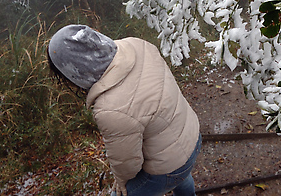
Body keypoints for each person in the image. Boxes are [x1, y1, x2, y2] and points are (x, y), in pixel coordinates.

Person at [47, 24, 201, 196]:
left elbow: (127, 165)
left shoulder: (110, 108)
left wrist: (121, 181)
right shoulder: (136, 44)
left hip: (171, 166)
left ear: (74, 71)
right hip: (192, 135)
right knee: (180, 172)